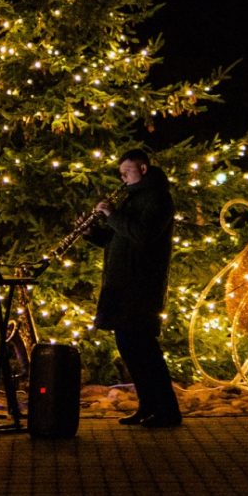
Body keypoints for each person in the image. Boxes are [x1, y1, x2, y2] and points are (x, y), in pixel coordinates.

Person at [90, 148, 182, 428]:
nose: (123, 178)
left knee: (144, 349)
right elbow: (117, 238)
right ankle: (148, 406)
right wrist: (91, 233)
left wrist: (111, 213)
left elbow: (142, 235)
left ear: (143, 168)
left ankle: (166, 410)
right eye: (121, 173)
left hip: (141, 285)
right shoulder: (132, 199)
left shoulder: (158, 198)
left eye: (127, 172)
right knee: (130, 348)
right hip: (122, 285)